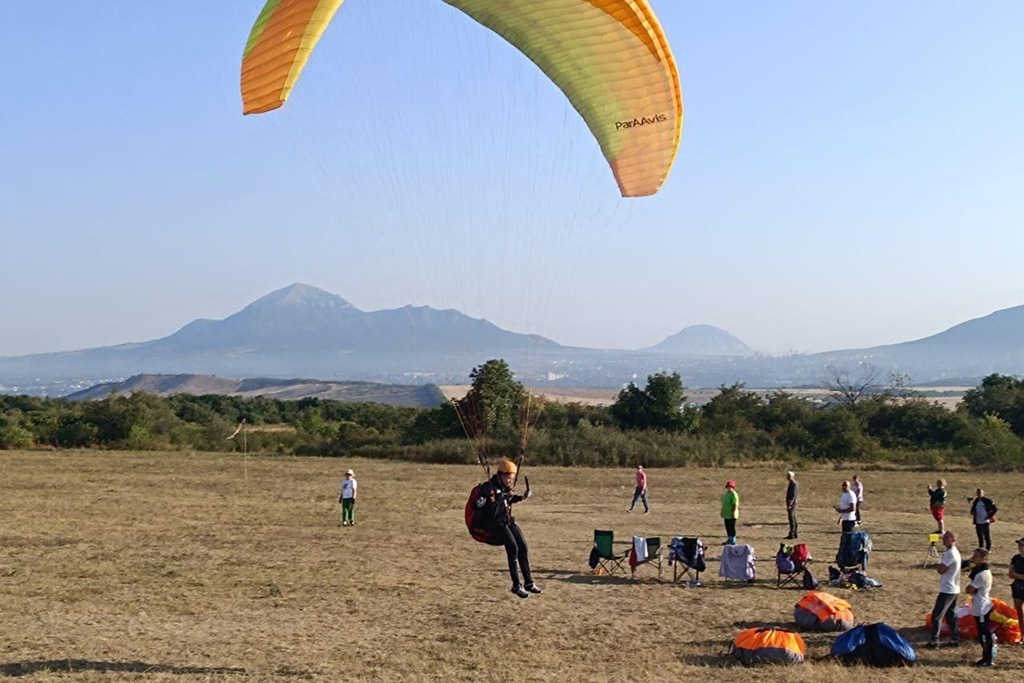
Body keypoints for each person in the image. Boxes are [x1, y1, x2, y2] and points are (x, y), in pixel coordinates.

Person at [473, 459, 541, 598]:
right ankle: (516, 585)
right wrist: (479, 502)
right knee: (513, 548)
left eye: (512, 477)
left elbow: (508, 499)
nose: (510, 480)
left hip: (507, 521)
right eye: (508, 477)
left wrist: (522, 497)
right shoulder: (487, 488)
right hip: (495, 524)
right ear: (500, 475)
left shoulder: (504, 488)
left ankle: (528, 582)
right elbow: (477, 505)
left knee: (523, 546)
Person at [926, 531, 962, 649]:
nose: (943, 539)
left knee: (937, 615)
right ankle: (955, 638)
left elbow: (941, 569)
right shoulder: (954, 552)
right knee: (950, 614)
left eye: (946, 538)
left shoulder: (950, 554)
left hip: (948, 589)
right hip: (954, 588)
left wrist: (938, 566)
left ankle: (934, 641)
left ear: (953, 540)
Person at [966, 547, 995, 666]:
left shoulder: (982, 574)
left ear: (984, 558)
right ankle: (986, 656)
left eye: (976, 556)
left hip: (982, 607)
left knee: (984, 634)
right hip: (979, 604)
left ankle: (987, 659)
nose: (973, 558)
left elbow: (969, 589)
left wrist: (970, 588)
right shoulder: (980, 571)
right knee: (982, 633)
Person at [1008, 537, 1024, 644]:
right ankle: (1023, 635)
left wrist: (1016, 575)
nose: (1019, 547)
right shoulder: (1016, 558)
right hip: (1017, 587)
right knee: (1019, 612)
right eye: (1019, 544)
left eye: (1022, 545)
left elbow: (1013, 573)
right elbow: (1010, 573)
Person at [721, 480, 739, 545]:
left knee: (732, 527)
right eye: (728, 487)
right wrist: (722, 511)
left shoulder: (734, 494)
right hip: (726, 514)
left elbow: (735, 504)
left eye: (730, 487)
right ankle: (729, 539)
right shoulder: (727, 494)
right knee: (727, 527)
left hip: (731, 514)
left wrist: (734, 512)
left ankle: (733, 540)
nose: (728, 488)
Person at [785, 471, 799, 540]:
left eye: (788, 476)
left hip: (792, 504)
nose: (787, 477)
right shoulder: (791, 483)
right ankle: (794, 533)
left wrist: (790, 504)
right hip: (791, 503)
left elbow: (794, 495)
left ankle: (792, 534)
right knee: (792, 518)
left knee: (792, 519)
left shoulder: (794, 484)